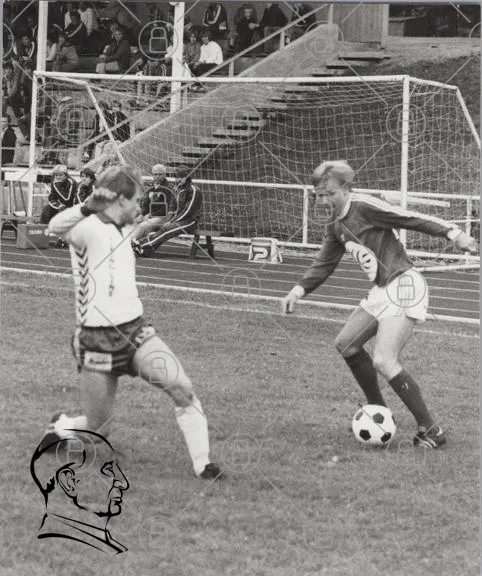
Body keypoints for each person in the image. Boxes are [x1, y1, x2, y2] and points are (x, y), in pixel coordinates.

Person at [281, 160, 479, 449]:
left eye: (330, 193)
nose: (323, 201)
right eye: (319, 195)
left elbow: (409, 218)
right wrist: (298, 291)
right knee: (347, 344)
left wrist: (454, 233)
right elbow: (324, 262)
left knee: (384, 360)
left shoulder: (364, 207)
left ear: (346, 189)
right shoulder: (334, 225)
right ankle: (379, 413)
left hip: (404, 285)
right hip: (382, 290)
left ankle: (431, 430)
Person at [43, 165, 223, 481]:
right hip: (95, 339)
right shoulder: (84, 228)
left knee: (182, 388)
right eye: (137, 200)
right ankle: (62, 426)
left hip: (135, 331)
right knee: (100, 429)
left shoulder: (128, 228)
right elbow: (54, 226)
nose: (141, 207)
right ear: (120, 200)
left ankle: (203, 465)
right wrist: (90, 204)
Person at [32, 431, 129, 554]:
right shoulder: (78, 547)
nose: (123, 484)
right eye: (107, 470)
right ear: (69, 483)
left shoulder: (103, 543)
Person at [132, 172, 202, 257]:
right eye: (177, 177)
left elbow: (188, 211)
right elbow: (172, 205)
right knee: (163, 227)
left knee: (167, 228)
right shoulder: (177, 188)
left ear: (187, 178)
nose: (179, 179)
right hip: (177, 219)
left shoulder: (194, 190)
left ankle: (140, 244)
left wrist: (172, 221)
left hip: (190, 221)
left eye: (182, 177)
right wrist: (169, 218)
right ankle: (146, 250)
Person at [130, 164, 177, 248]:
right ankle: (137, 247)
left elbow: (165, 209)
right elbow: (146, 205)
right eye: (155, 174)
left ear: (164, 175)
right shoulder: (151, 187)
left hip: (163, 217)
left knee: (143, 226)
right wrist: (142, 214)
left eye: (160, 174)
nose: (157, 176)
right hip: (152, 216)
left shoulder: (169, 189)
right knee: (134, 223)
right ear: (152, 175)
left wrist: (150, 215)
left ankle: (127, 244)